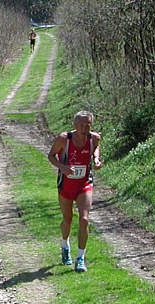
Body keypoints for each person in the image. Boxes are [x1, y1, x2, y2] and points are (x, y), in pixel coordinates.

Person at [48, 110, 102, 272]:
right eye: (81, 124)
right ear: (75, 125)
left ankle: (80, 258)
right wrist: (63, 167)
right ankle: (65, 246)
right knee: (68, 219)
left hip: (84, 183)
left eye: (87, 125)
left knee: (84, 219)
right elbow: (51, 156)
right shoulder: (64, 139)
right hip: (66, 184)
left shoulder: (94, 138)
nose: (84, 128)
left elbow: (96, 148)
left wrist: (96, 159)